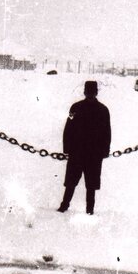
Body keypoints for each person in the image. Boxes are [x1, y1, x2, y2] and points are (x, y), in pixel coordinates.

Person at [57, 80, 111, 215]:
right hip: (90, 153)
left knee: (75, 182)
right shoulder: (103, 110)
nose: (90, 94)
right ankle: (87, 209)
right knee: (84, 184)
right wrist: (104, 151)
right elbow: (107, 133)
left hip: (80, 152)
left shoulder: (76, 107)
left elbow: (68, 129)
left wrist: (67, 149)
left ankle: (66, 206)